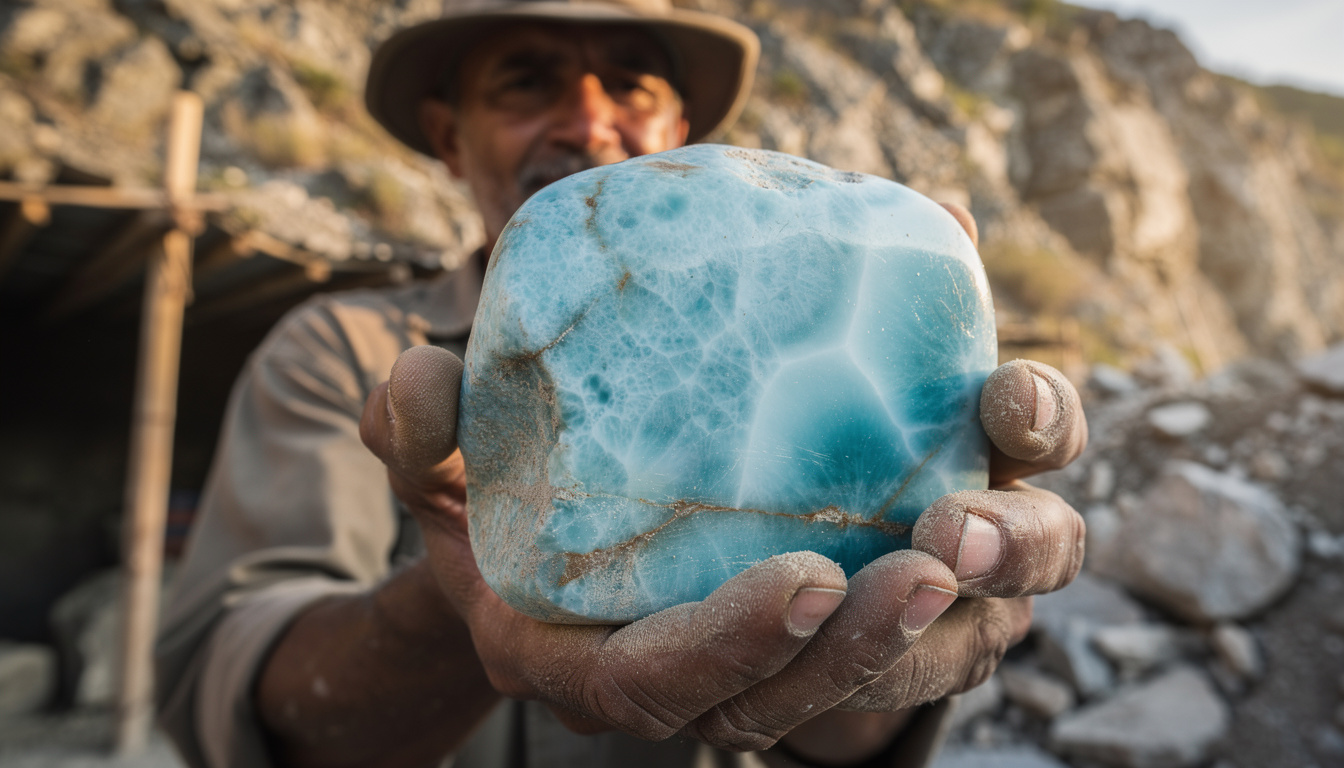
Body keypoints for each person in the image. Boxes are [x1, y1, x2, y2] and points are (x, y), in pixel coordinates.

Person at [155, 1, 1088, 767]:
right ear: (448, 135)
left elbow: (846, 741)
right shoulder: (341, 349)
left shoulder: (797, 341)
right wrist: (463, 595)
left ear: (679, 132)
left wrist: (903, 620)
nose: (589, 121)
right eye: (528, 82)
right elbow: (231, 693)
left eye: (632, 85)